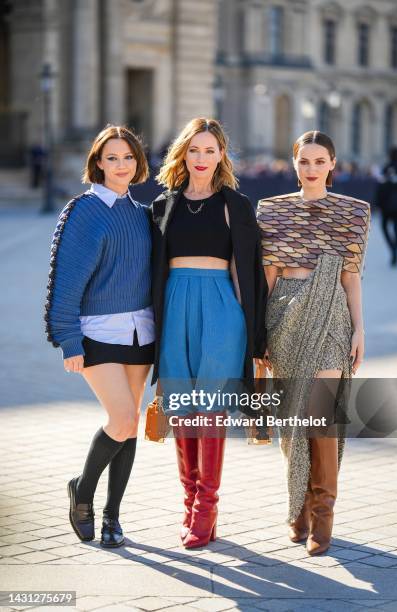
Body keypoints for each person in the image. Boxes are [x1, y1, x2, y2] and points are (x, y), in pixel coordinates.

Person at [151, 117, 267, 548]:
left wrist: (253, 334)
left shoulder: (236, 206)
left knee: (210, 410)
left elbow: (248, 271)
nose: (201, 158)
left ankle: (207, 506)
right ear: (183, 153)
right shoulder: (163, 206)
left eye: (210, 150)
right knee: (181, 410)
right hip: (175, 307)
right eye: (193, 150)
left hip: (221, 307)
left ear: (222, 155)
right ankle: (189, 501)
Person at [257, 130, 370, 555]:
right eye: (304, 161)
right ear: (294, 163)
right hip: (284, 314)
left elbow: (351, 278)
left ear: (332, 165)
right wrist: (260, 334)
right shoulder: (271, 210)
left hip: (333, 316)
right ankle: (298, 506)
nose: (311, 169)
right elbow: (267, 277)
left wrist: (359, 329)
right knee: (291, 421)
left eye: (319, 161)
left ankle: (324, 513)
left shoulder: (352, 213)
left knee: (322, 415)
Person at [45, 125, 154, 548]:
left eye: (127, 157)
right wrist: (68, 339)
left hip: (141, 332)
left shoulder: (140, 212)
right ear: (98, 163)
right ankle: (83, 493)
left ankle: (113, 517)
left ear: (138, 162)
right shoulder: (84, 210)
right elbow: (66, 280)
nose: (121, 165)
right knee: (123, 419)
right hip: (97, 333)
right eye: (112, 158)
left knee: (130, 427)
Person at [376, 146, 397, 266]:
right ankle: (396, 252)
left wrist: (378, 203)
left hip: (387, 204)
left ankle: (393, 249)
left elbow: (381, 188)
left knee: (384, 227)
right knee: (396, 228)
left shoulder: (386, 169)